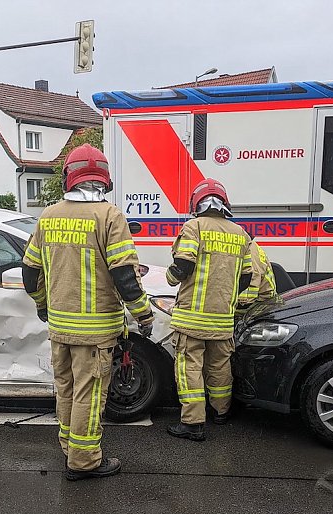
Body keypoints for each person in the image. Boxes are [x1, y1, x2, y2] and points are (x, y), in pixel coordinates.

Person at [22, 143, 154, 481]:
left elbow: (30, 271)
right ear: (104, 180)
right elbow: (124, 274)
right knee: (89, 394)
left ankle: (69, 446)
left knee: (65, 387)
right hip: (95, 332)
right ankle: (84, 462)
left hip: (60, 327)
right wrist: (144, 314)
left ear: (70, 177)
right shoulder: (109, 216)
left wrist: (42, 305)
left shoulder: (48, 215)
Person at [166, 178, 253, 441]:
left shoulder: (194, 227)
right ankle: (221, 412)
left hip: (192, 319)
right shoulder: (241, 234)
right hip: (222, 319)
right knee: (219, 366)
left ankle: (192, 423)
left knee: (189, 367)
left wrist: (170, 278)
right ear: (224, 203)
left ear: (197, 203)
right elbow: (246, 277)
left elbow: (183, 264)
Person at [237, 240, 282, 308]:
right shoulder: (252, 246)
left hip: (251, 305)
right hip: (265, 300)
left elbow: (246, 298)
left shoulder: (247, 250)